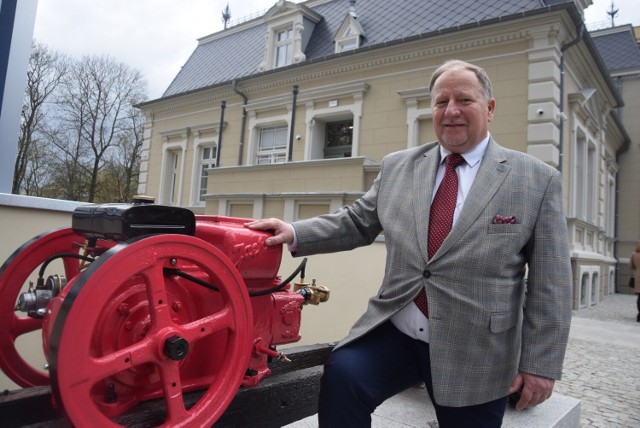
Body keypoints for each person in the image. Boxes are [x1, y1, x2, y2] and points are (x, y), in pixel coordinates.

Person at [246, 59, 572, 427]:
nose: (451, 111)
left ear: (490, 108)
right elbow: (357, 221)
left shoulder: (535, 179)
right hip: (397, 335)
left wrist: (540, 366)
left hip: (475, 353)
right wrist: (294, 231)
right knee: (342, 375)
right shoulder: (399, 166)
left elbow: (551, 284)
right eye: (440, 102)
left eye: (464, 100)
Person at [630, 242, 640, 322]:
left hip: (638, 277)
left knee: (639, 297)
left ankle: (639, 315)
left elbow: (631, 266)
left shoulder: (634, 254)